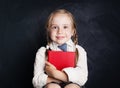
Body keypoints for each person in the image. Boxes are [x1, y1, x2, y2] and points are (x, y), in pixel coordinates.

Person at [32, 9, 88, 88]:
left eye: (65, 27)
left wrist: (55, 74)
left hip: (73, 84)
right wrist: (52, 79)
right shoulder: (42, 52)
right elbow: (36, 81)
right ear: (48, 30)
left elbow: (82, 78)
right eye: (55, 27)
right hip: (50, 84)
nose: (60, 31)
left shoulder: (79, 51)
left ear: (73, 31)